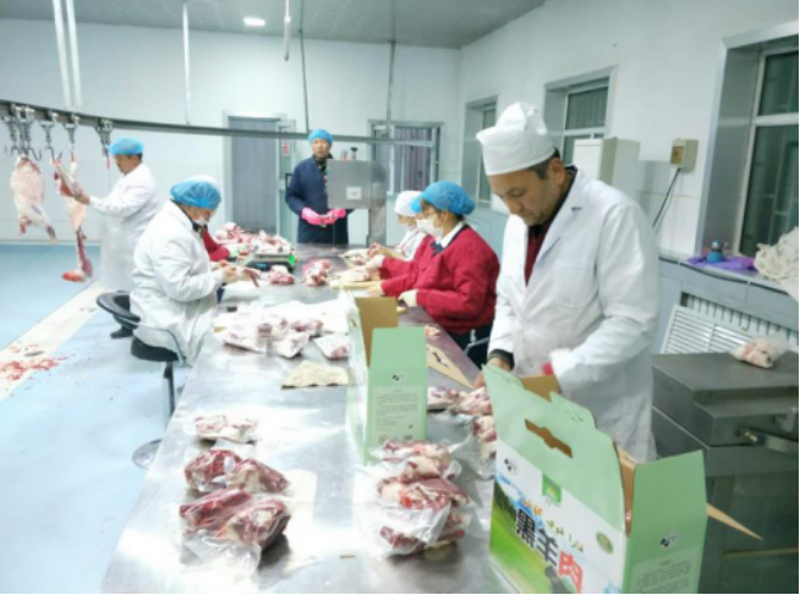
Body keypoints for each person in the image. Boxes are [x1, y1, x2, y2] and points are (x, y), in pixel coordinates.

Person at [475, 102, 659, 462]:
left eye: (517, 193)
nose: (511, 207)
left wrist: (557, 374)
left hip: (598, 408)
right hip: (535, 399)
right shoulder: (519, 221)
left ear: (556, 171)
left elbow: (633, 322)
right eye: (501, 196)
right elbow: (511, 299)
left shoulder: (614, 215)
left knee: (597, 493)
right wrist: (500, 356)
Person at [130, 176, 257, 366]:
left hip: (175, 304)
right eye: (207, 213)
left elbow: (184, 264)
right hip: (166, 316)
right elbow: (179, 289)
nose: (208, 219)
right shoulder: (170, 233)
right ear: (191, 206)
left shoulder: (181, 223)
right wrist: (219, 277)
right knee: (229, 349)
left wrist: (215, 267)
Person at [369, 181, 499, 366]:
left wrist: (423, 296)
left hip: (464, 335)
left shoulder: (469, 249)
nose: (422, 220)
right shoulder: (437, 241)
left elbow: (468, 303)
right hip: (440, 323)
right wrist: (385, 286)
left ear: (444, 214)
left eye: (427, 215)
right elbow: (417, 273)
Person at [72, 137, 160, 338]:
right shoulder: (128, 176)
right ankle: (127, 324)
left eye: (120, 158)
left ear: (134, 158)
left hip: (133, 243)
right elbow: (113, 201)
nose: (116, 162)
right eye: (116, 158)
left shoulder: (142, 180)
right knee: (123, 286)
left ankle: (141, 328)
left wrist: (90, 200)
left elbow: (123, 208)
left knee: (136, 288)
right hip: (121, 242)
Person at [285, 129, 348, 244]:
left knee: (337, 256)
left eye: (323, 142)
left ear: (330, 145)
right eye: (315, 142)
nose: (319, 146)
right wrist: (304, 211)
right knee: (307, 255)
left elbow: (352, 196)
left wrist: (341, 210)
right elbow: (291, 196)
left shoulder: (342, 168)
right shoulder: (301, 168)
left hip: (336, 231)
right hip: (309, 231)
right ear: (311, 145)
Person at [368, 190, 427, 261]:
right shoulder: (412, 230)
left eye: (400, 217)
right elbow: (401, 251)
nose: (400, 221)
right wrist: (382, 250)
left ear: (414, 217)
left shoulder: (423, 235)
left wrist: (387, 253)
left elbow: (412, 263)